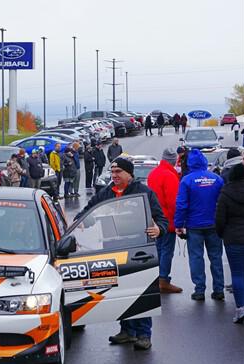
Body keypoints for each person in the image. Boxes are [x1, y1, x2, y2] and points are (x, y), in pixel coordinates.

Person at [76, 156, 167, 350]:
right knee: (121, 293)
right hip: (112, 250)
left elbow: (162, 220)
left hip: (138, 252)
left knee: (141, 293)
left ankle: (143, 334)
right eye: (113, 172)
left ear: (129, 174)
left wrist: (159, 229)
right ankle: (127, 331)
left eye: (118, 172)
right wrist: (79, 222)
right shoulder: (106, 192)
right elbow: (87, 212)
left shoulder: (144, 192)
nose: (114, 175)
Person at [174, 148, 224, 301]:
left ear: (190, 163)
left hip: (194, 226)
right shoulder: (216, 179)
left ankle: (199, 290)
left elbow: (181, 204)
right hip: (214, 224)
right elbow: (222, 203)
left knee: (196, 258)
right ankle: (218, 289)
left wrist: (178, 224)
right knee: (216, 257)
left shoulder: (187, 180)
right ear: (204, 162)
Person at [147, 147, 182, 293]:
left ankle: (157, 278)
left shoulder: (153, 173)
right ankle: (163, 280)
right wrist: (179, 222)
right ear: (173, 161)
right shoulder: (170, 175)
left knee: (159, 249)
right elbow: (173, 202)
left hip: (155, 221)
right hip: (167, 221)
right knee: (167, 250)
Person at [215, 163, 244, 323]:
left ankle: (241, 309)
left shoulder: (226, 193)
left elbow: (220, 219)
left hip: (233, 239)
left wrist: (222, 234)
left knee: (238, 274)